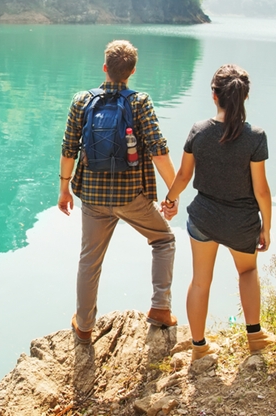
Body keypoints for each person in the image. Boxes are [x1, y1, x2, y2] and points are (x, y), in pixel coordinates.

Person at [58, 39, 178, 344]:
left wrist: (64, 189)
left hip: (93, 197)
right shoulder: (140, 102)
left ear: (104, 68)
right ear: (132, 71)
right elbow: (158, 151)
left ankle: (84, 326)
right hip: (131, 196)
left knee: (90, 259)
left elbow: (69, 148)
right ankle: (160, 308)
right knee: (163, 239)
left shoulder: (82, 100)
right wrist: (172, 195)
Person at [161, 64, 276, 360]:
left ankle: (199, 348)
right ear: (245, 97)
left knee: (200, 281)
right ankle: (255, 337)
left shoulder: (199, 131)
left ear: (214, 95)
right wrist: (266, 226)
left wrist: (169, 200)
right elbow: (261, 190)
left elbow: (184, 177)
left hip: (204, 218)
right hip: (242, 221)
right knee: (248, 271)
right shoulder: (256, 136)